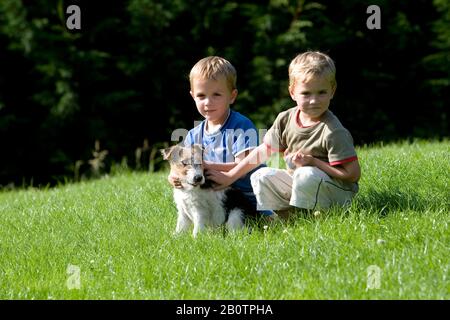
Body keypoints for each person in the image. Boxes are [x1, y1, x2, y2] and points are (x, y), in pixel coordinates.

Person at [207, 51, 361, 218]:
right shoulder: (285, 119)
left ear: (332, 90)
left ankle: (319, 217)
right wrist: (231, 176)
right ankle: (287, 219)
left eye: (321, 92)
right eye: (306, 93)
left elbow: (352, 175)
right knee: (261, 175)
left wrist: (314, 162)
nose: (314, 100)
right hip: (302, 183)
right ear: (293, 92)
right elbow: (262, 151)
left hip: (338, 193)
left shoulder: (333, 131)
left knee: (305, 173)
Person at [168, 56, 273, 216]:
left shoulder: (241, 125)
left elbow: (244, 166)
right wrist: (174, 176)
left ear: (232, 96)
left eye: (216, 94)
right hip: (216, 199)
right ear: (193, 96)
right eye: (201, 96)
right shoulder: (194, 134)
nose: (208, 102)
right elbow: (180, 164)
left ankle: (268, 217)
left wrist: (206, 165)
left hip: (250, 197)